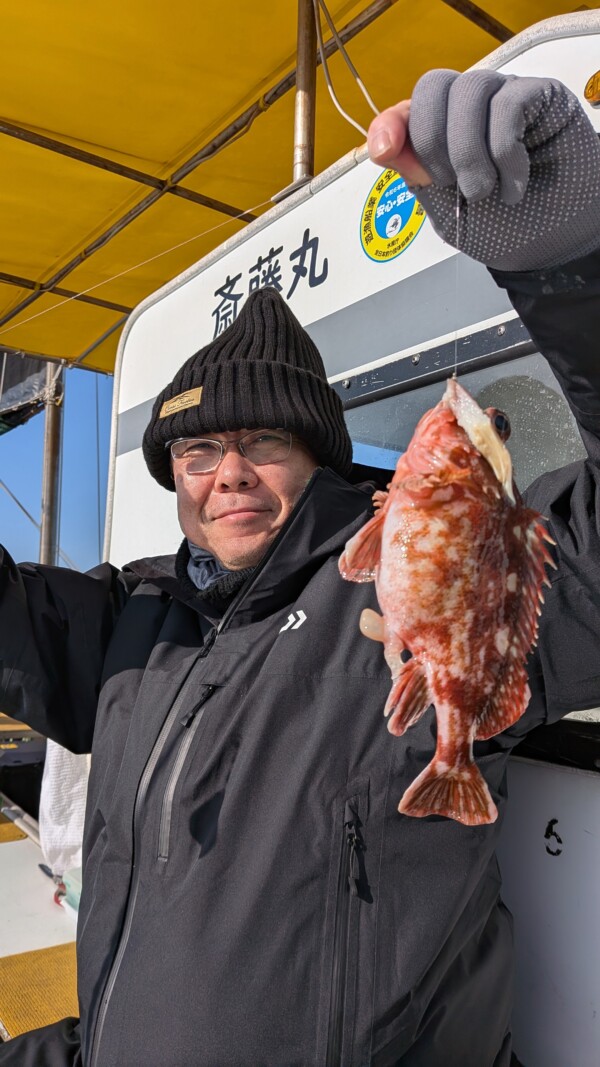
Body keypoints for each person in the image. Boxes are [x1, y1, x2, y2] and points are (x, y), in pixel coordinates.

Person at [1, 70, 599, 1067]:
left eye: (265, 443)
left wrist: (571, 266)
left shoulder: (411, 587)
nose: (226, 473)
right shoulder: (127, 619)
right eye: (197, 451)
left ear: (318, 457)